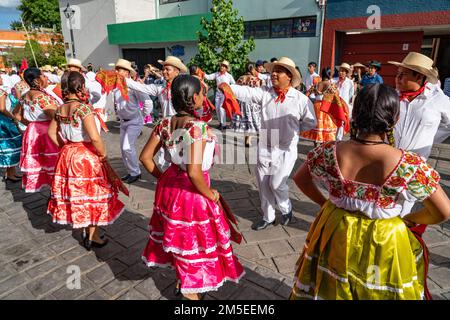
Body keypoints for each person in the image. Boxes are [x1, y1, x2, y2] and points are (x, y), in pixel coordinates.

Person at [290, 84, 450, 300]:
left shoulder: (329, 151)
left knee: (333, 286)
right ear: (395, 119)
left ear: (355, 114)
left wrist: (325, 204)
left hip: (336, 228)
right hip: (384, 239)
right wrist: (409, 220)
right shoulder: (409, 164)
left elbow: (301, 179)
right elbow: (443, 211)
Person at [139, 74, 245, 300]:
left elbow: (145, 158)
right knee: (193, 241)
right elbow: (194, 171)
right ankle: (190, 293)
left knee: (177, 239)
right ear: (195, 97)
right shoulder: (197, 128)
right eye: (202, 93)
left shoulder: (164, 123)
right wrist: (212, 194)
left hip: (169, 188)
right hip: (192, 192)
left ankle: (181, 279)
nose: (204, 97)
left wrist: (165, 178)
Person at [224, 57, 316, 231]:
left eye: (278, 71)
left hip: (286, 148)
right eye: (273, 70)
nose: (273, 73)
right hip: (266, 144)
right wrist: (228, 87)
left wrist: (294, 129)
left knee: (277, 183)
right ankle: (268, 216)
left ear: (289, 76)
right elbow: (247, 93)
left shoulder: (301, 99)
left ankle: (286, 209)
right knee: (263, 183)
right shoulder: (265, 93)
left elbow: (311, 122)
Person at [47, 71, 124, 250]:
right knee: (93, 194)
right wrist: (103, 154)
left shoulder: (59, 109)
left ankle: (86, 229)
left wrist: (65, 147)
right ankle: (93, 235)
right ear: (81, 87)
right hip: (85, 157)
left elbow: (51, 132)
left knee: (78, 194)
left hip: (68, 154)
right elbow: (95, 138)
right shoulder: (83, 109)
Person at [388, 51, 450, 217]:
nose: (397, 79)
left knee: (403, 211)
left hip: (413, 168)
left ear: (420, 77)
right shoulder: (391, 97)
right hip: (386, 162)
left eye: (403, 75)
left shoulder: (438, 100)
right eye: (397, 74)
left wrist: (428, 137)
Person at [125, 56, 188, 172]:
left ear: (177, 71)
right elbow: (140, 87)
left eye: (167, 69)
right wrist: (122, 78)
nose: (163, 72)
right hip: (165, 127)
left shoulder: (184, 88)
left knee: (181, 158)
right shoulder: (160, 88)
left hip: (181, 127)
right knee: (162, 159)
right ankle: (165, 180)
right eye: (163, 69)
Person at [16, 68, 60, 193]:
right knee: (53, 162)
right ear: (37, 80)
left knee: (42, 162)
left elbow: (17, 114)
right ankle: (55, 194)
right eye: (44, 76)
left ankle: (52, 192)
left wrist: (31, 124)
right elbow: (54, 116)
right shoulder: (42, 97)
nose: (47, 78)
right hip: (46, 133)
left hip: (32, 133)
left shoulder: (24, 96)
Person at [113, 59, 153, 184]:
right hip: (123, 121)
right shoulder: (116, 86)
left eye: (120, 70)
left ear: (127, 73)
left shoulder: (133, 85)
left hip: (134, 121)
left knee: (127, 147)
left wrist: (143, 114)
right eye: (117, 69)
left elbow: (148, 101)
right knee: (123, 148)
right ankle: (131, 171)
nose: (117, 72)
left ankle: (136, 172)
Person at [301, 67, 339, 145]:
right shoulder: (331, 85)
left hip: (316, 106)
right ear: (329, 75)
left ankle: (316, 147)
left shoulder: (316, 84)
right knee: (326, 128)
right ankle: (323, 147)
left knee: (317, 126)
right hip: (326, 107)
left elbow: (306, 95)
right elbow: (337, 95)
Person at [231, 62, 263, 147]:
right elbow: (260, 92)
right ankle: (253, 138)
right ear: (254, 68)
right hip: (253, 103)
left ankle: (247, 140)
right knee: (255, 121)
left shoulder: (241, 78)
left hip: (242, 103)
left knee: (246, 121)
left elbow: (234, 90)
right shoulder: (257, 79)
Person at [0, 79, 22, 182]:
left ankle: (11, 172)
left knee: (9, 145)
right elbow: (2, 108)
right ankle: (10, 173)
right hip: (4, 121)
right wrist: (13, 117)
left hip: (2, 121)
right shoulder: (1, 92)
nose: (2, 79)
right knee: (11, 145)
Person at [205, 60, 235, 130]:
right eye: (221, 65)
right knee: (217, 108)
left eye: (224, 66)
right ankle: (220, 123)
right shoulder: (216, 74)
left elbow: (233, 83)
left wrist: (228, 89)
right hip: (218, 94)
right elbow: (208, 77)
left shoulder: (229, 76)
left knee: (222, 109)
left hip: (225, 94)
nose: (222, 67)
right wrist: (202, 73)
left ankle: (223, 125)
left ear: (226, 68)